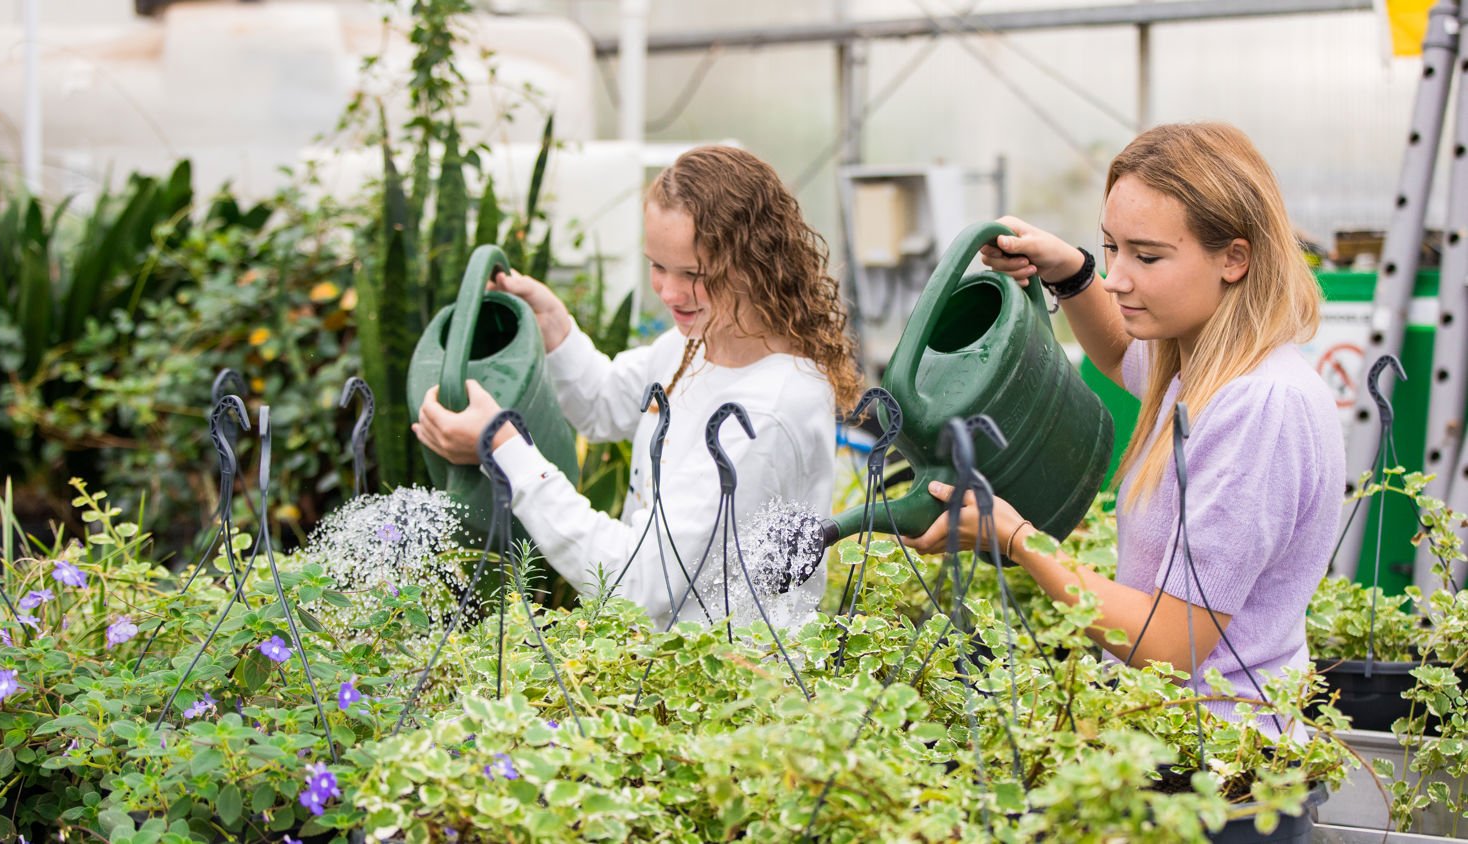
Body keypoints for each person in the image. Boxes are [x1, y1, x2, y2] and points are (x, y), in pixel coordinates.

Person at [905, 123, 1344, 731]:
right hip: (1179, 742)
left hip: (1225, 764)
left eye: (1148, 255)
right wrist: (1069, 271)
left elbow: (1170, 644)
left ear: (1234, 259)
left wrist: (1015, 538)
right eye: (1111, 246)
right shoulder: (1201, 365)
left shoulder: (1258, 409)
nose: (1116, 277)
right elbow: (1117, 355)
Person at [413, 145, 861, 629]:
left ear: (757, 261)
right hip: (664, 666)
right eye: (657, 266)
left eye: (692, 273)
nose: (668, 292)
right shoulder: (698, 341)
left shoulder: (768, 409)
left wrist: (503, 447)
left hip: (729, 684)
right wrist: (555, 329)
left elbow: (638, 584)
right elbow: (605, 404)